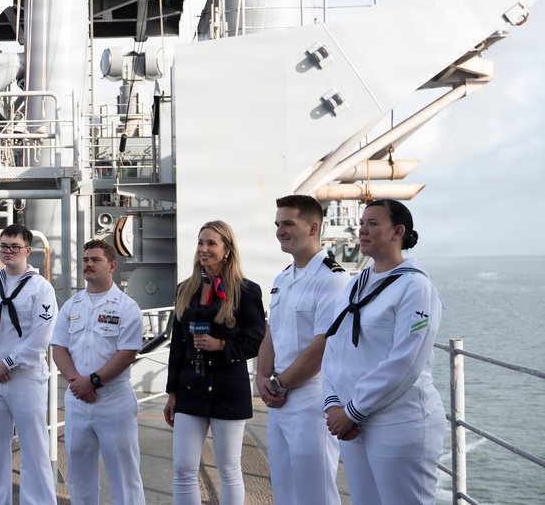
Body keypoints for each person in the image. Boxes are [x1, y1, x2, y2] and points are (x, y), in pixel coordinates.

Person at [322, 199, 445, 505]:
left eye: (373, 224)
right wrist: (333, 402)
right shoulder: (356, 284)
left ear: (398, 232)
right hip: (354, 424)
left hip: (398, 423)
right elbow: (333, 344)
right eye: (362, 223)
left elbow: (407, 362)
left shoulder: (416, 287)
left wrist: (351, 411)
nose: (362, 229)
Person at [164, 220, 266, 505]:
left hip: (227, 388)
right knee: (183, 468)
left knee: (229, 469)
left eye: (211, 243)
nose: (203, 249)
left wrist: (221, 345)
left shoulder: (246, 290)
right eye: (200, 243)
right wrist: (172, 392)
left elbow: (256, 340)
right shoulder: (185, 289)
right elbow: (178, 346)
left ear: (227, 250)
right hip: (190, 388)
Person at [257, 195, 349, 505]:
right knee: (285, 491)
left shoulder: (332, 279)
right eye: (278, 224)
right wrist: (261, 375)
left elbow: (323, 345)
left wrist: (279, 383)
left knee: (315, 494)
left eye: (288, 223)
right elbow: (274, 329)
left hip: (312, 397)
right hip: (279, 397)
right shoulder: (284, 277)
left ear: (313, 227)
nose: (280, 231)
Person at [0, 224, 58, 505]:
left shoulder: (41, 288)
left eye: (14, 247)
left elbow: (40, 337)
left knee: (34, 449)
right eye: (3, 246)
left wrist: (7, 363)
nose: (8, 251)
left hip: (25, 378)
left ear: (27, 251)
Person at [51, 239, 145, 505]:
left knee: (125, 478)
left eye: (95, 260)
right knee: (79, 478)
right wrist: (77, 383)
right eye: (85, 260)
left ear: (112, 265)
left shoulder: (126, 307)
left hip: (113, 401)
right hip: (78, 401)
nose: (88, 264)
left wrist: (92, 381)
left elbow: (127, 353)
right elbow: (59, 348)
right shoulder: (71, 306)